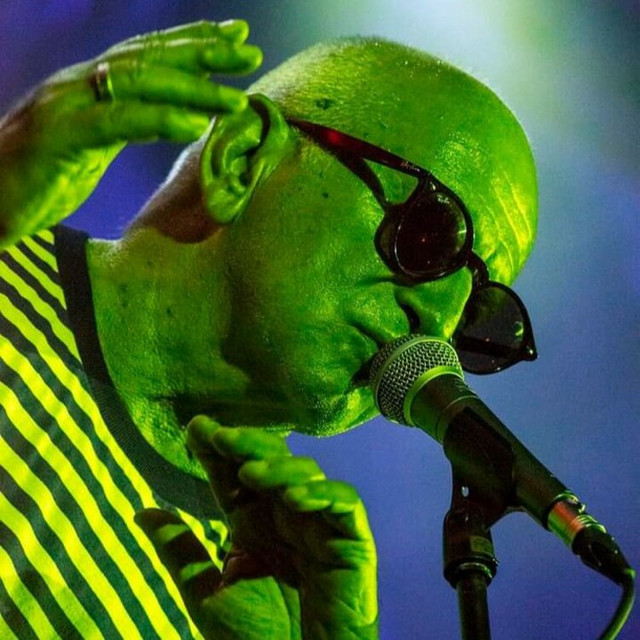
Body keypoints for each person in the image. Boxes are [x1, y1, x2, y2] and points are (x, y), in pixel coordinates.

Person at [0, 18, 537, 640]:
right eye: (432, 236)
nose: (437, 325)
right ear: (244, 157)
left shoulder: (253, 600)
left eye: (474, 314)